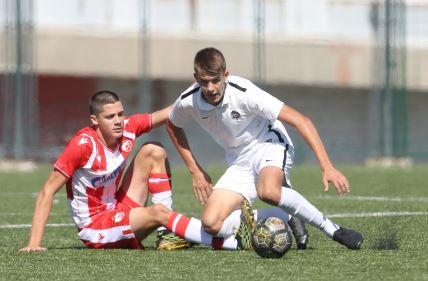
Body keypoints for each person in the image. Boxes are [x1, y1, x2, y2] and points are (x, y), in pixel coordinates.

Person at [166, 47, 363, 250]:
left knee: (268, 192)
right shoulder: (188, 100)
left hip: (269, 143)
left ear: (226, 74)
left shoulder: (244, 92)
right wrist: (195, 170)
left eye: (215, 80)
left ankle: (332, 229)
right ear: (196, 78)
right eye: (204, 81)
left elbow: (301, 121)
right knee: (211, 223)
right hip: (239, 160)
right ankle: (286, 215)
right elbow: (172, 125)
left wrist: (327, 167)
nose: (210, 88)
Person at [19, 90, 259, 252]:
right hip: (96, 227)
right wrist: (34, 243)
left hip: (119, 207)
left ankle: (167, 235)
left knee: (153, 150)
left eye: (120, 114)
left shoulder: (127, 128)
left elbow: (169, 112)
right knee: (158, 212)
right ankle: (228, 242)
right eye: (110, 116)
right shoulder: (82, 146)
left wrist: (201, 91)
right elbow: (47, 192)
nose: (117, 121)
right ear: (95, 120)